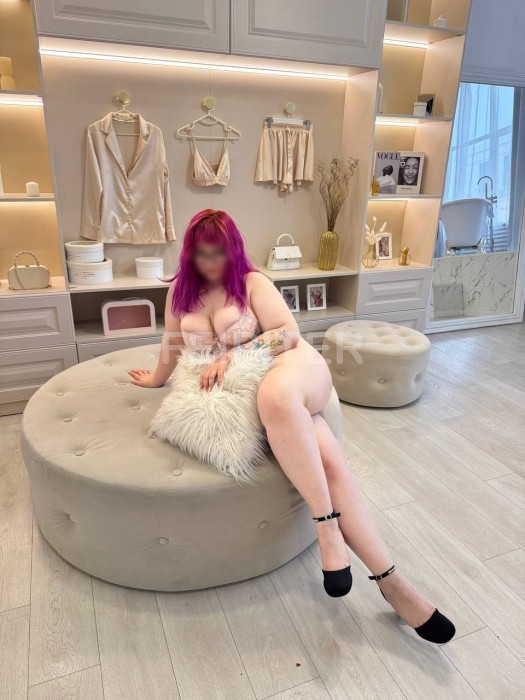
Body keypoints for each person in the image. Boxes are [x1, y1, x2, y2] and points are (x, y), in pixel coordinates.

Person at [129, 209, 455, 644]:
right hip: (248, 392)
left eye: (219, 252)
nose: (211, 262)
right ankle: (394, 584)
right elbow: (172, 345)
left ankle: (326, 527)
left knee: (277, 397)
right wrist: (157, 379)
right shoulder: (179, 293)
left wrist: (233, 356)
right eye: (202, 253)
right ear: (190, 252)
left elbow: (288, 333)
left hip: (286, 366)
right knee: (328, 460)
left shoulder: (251, 282)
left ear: (233, 249)